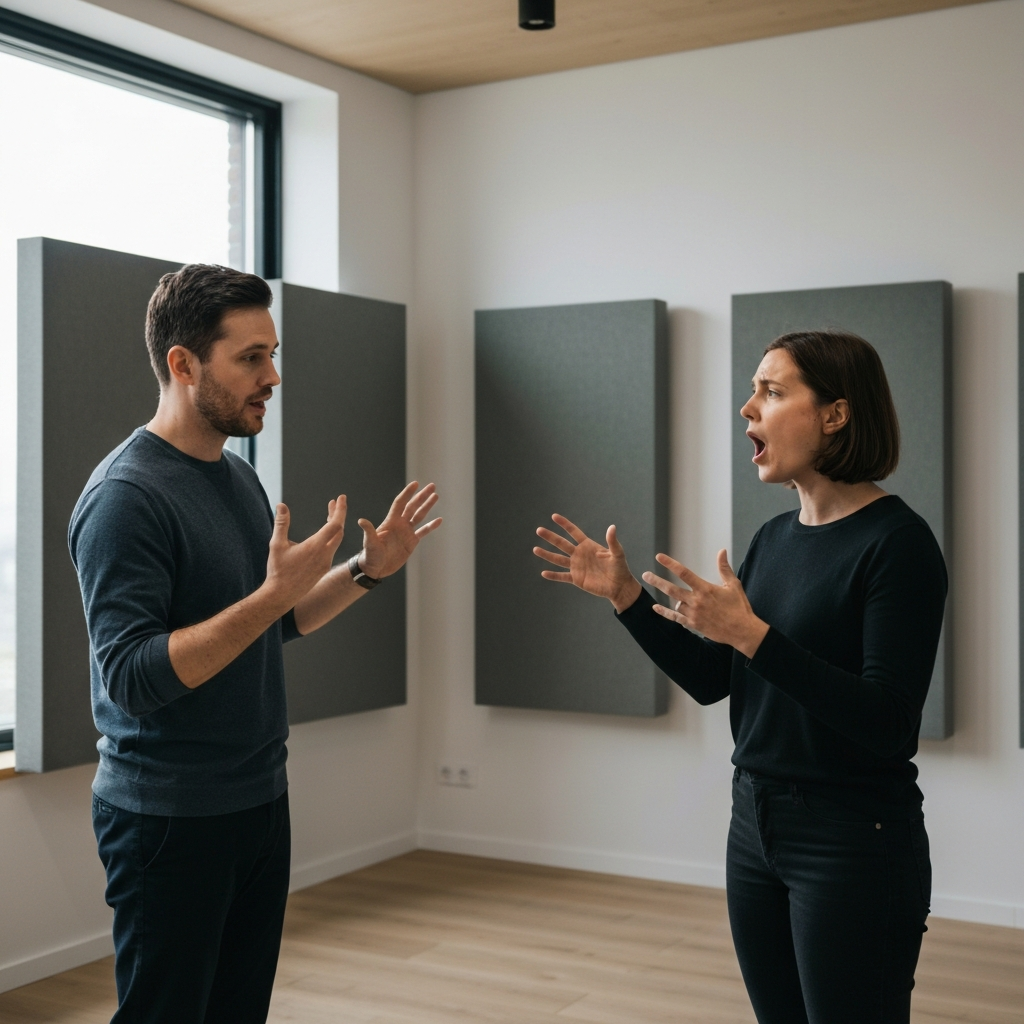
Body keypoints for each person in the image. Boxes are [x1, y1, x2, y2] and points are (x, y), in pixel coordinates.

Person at [533, 330, 946, 1024]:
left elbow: (888, 722)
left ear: (836, 414)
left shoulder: (897, 545)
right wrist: (629, 599)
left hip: (852, 837)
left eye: (772, 391)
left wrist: (753, 636)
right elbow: (711, 678)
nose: (747, 408)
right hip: (753, 824)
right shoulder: (774, 538)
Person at [69, 264, 442, 1024]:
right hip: (168, 820)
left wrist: (366, 571)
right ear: (183, 363)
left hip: (258, 801)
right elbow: (134, 677)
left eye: (273, 355)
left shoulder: (237, 481)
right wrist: (272, 594)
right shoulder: (125, 499)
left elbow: (277, 625)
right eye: (250, 358)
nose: (272, 376)